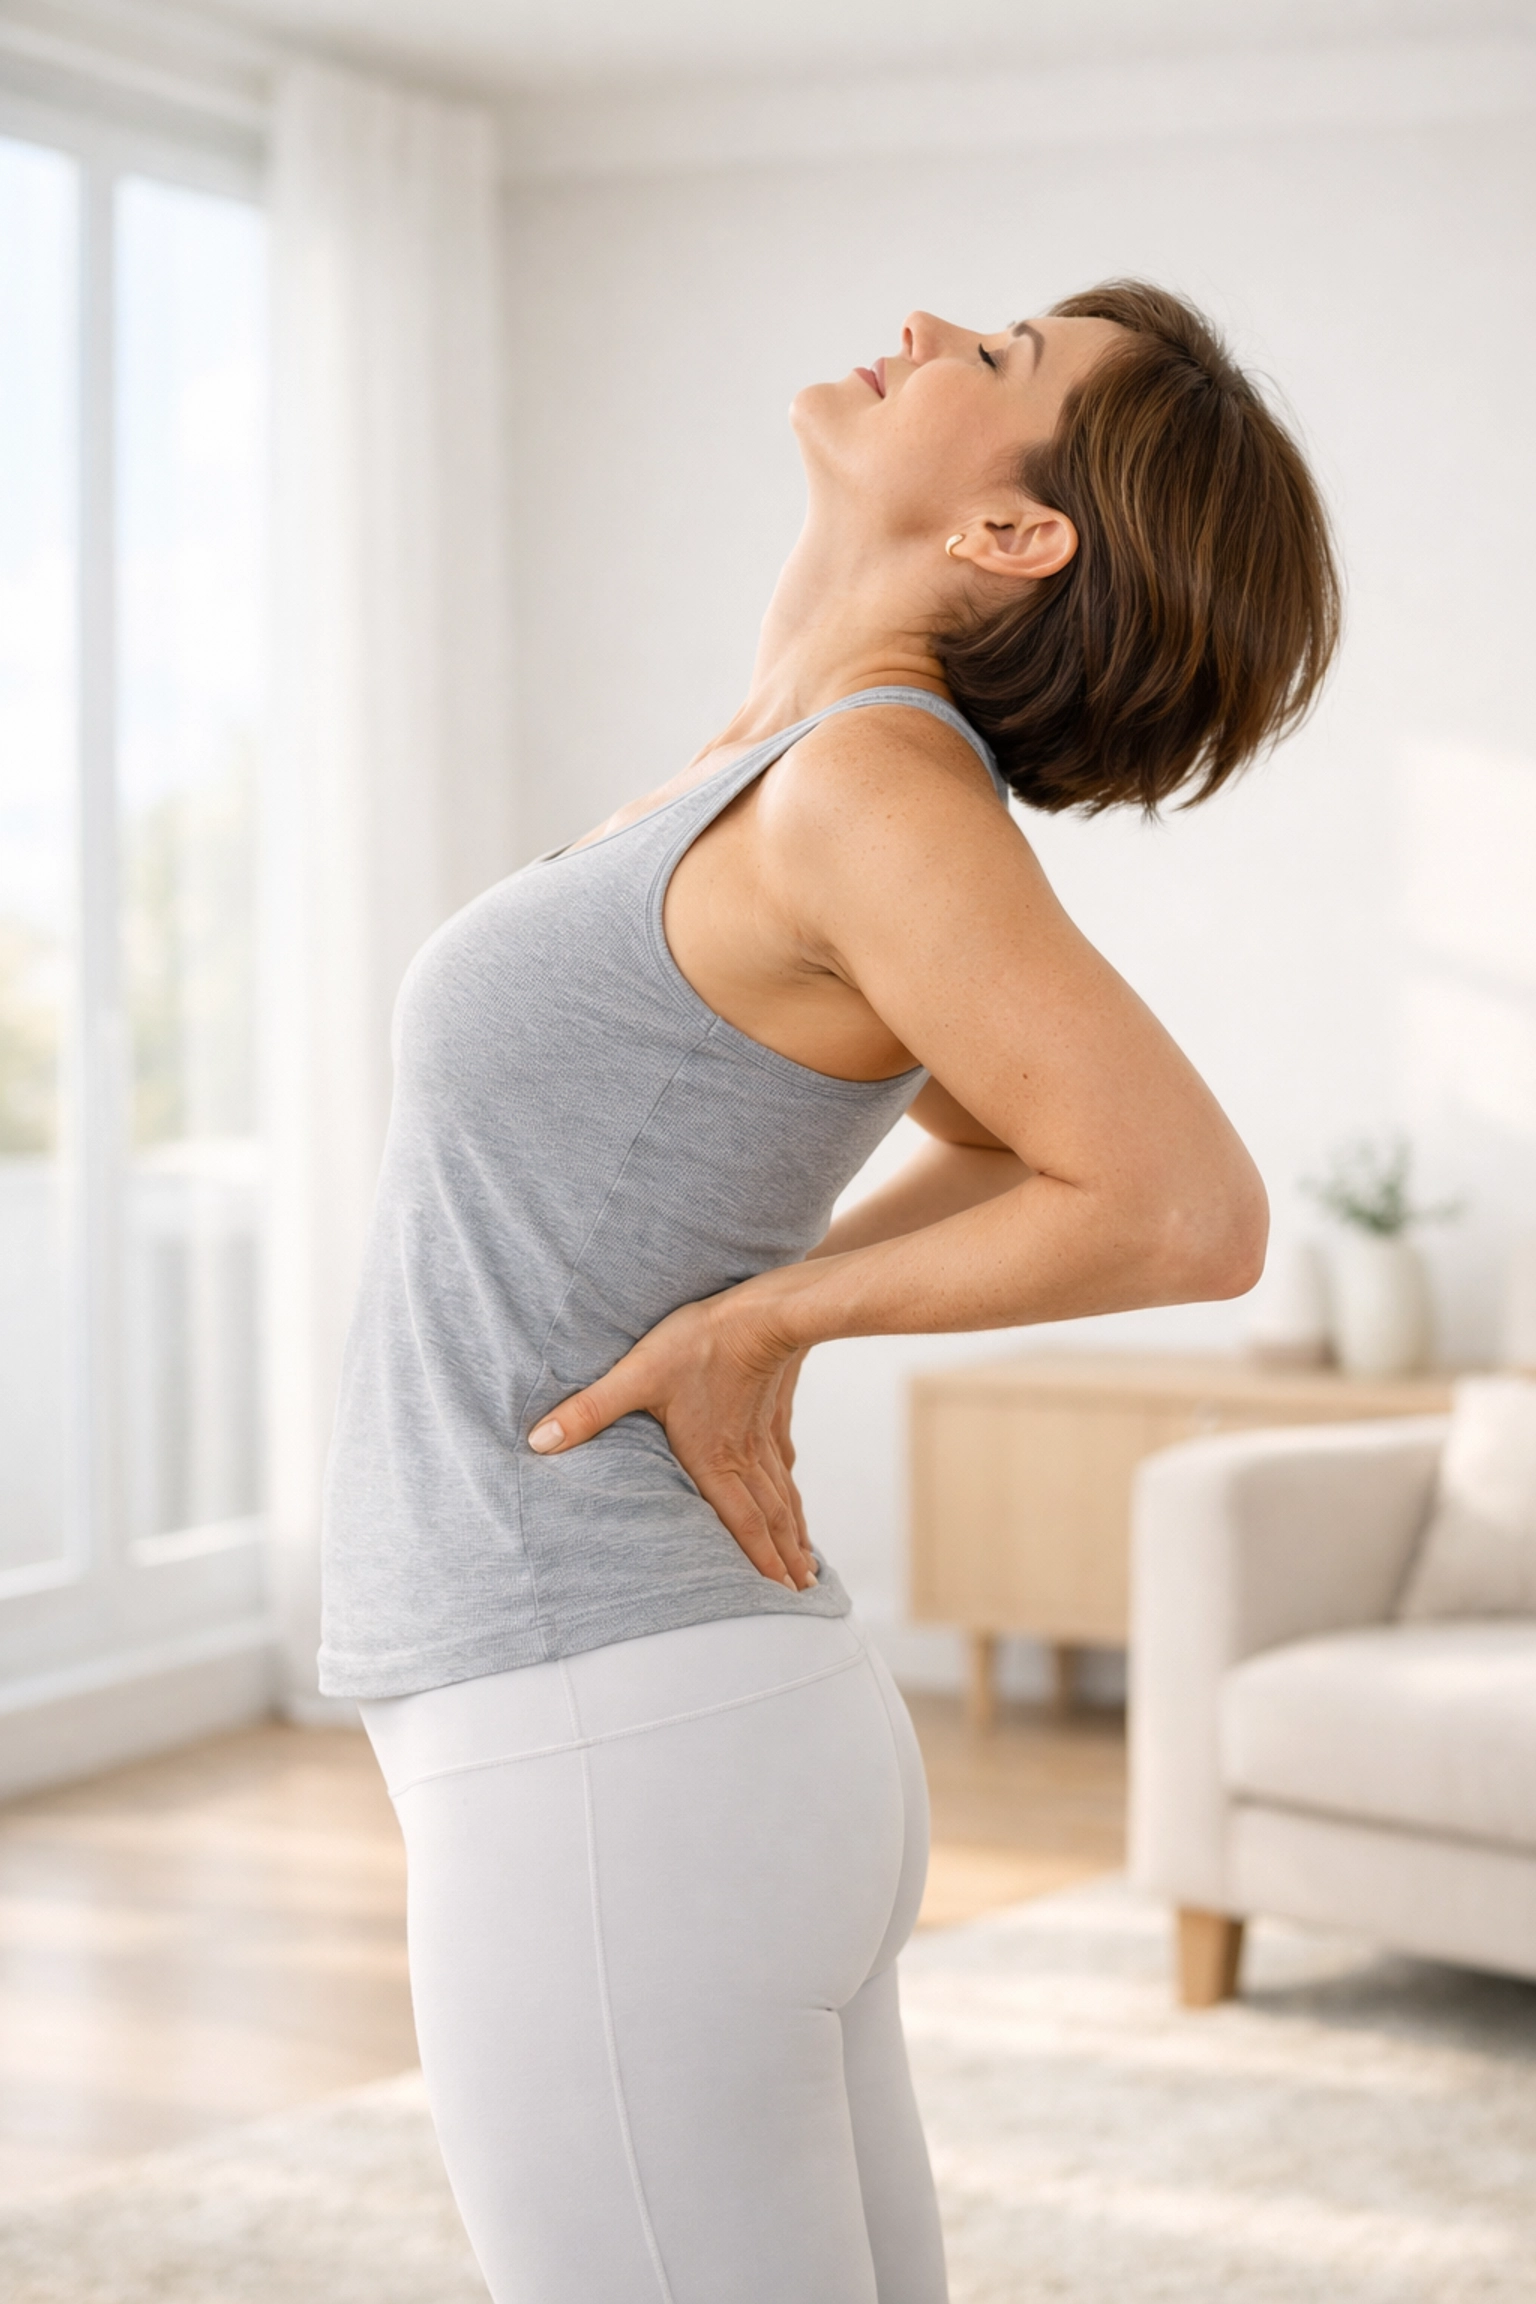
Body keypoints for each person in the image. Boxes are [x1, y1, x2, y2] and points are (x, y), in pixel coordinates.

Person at [321, 280, 1339, 2303]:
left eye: (1004, 358)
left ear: (1015, 535)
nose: (929, 322)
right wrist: (741, 1299)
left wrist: (764, 1319)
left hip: (609, 1726)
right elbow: (990, 1129)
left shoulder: (870, 785)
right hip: (660, 1720)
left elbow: (1182, 1209)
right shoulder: (793, 780)